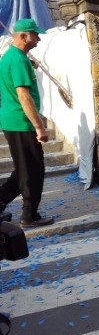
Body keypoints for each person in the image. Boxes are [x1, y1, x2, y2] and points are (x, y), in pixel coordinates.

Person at [0, 19, 54, 228]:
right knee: (32, 171)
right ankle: (29, 215)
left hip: (12, 120)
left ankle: (2, 200)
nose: (39, 38)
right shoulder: (18, 60)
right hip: (21, 122)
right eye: (35, 34)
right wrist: (39, 126)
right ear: (23, 36)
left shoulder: (11, 57)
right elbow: (23, 96)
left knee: (23, 169)